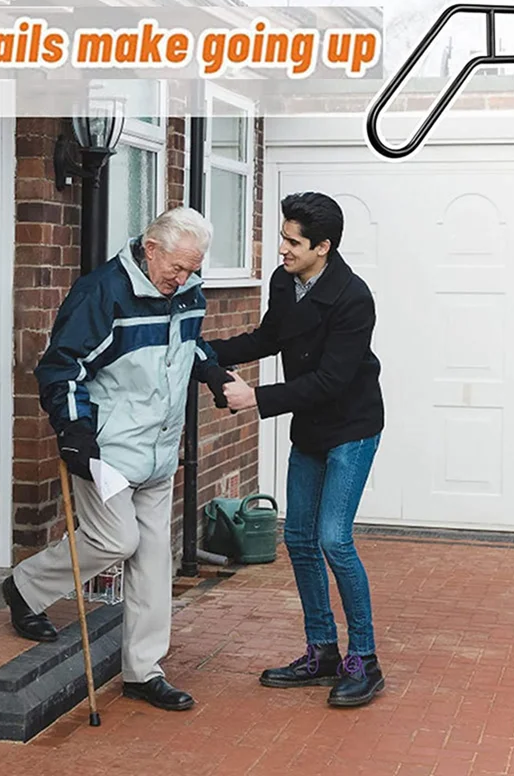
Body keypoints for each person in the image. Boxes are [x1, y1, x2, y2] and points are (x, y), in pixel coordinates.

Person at [2, 207, 233, 712]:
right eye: (178, 267)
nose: (185, 278)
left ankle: (143, 671)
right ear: (151, 249)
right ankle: (25, 586)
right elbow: (60, 368)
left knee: (153, 562)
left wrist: (213, 373)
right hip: (108, 451)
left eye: (193, 268)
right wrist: (75, 434)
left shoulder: (186, 291)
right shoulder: (101, 293)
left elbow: (185, 347)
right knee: (116, 539)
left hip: (160, 449)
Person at [206, 192, 386, 708]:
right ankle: (322, 651)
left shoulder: (354, 297)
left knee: (333, 539)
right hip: (310, 428)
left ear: (323, 247)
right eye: (282, 237)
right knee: (300, 540)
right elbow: (268, 338)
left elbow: (331, 380)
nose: (281, 250)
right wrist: (206, 348)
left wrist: (256, 398)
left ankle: (364, 660)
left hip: (351, 427)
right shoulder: (285, 282)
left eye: (292, 242)